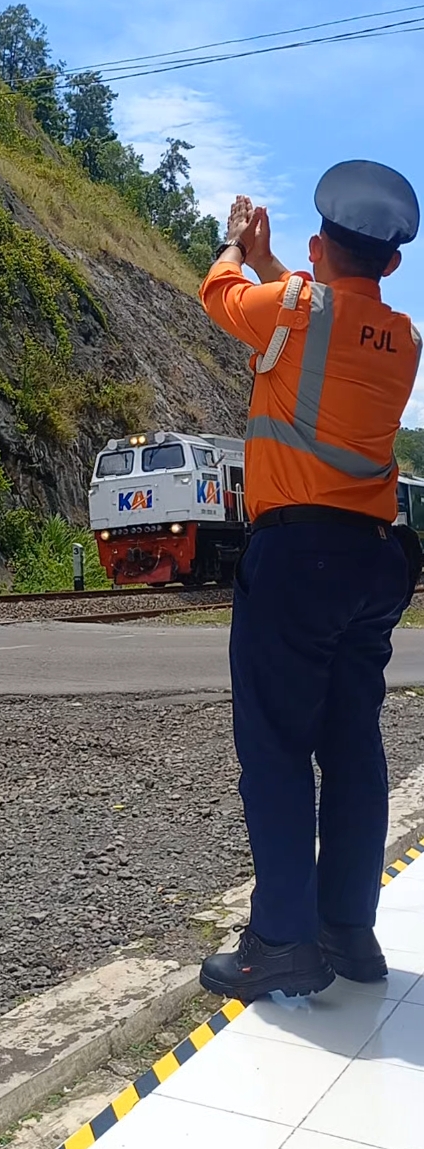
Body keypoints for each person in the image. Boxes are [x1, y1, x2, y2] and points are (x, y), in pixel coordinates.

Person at [197, 160, 422, 1002]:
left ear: (319, 245)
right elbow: (320, 317)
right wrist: (279, 268)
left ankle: (282, 942)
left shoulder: (288, 305)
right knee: (353, 745)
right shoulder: (404, 339)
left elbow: (219, 296)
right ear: (393, 264)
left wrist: (235, 244)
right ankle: (347, 929)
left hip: (298, 560)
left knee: (277, 748)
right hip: (372, 560)